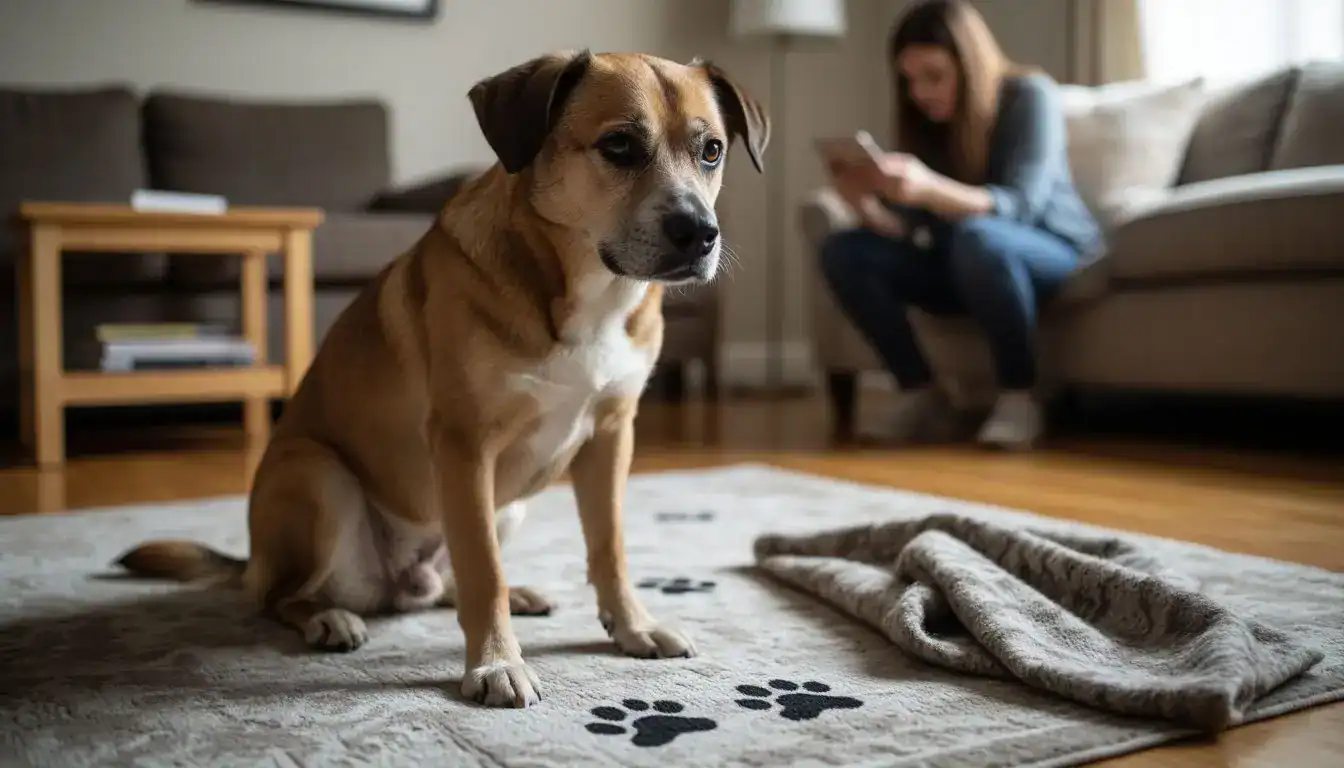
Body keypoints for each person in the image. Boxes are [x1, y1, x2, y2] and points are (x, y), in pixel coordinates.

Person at [819, 0, 1102, 450]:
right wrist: (865, 205)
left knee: (980, 238)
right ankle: (921, 392)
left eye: (933, 76)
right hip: (964, 258)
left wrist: (929, 187)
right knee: (843, 250)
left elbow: (1019, 206)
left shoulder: (1029, 95)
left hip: (1051, 251)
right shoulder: (930, 122)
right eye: (910, 80)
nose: (920, 92)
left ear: (969, 64)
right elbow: (916, 234)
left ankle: (1020, 394)